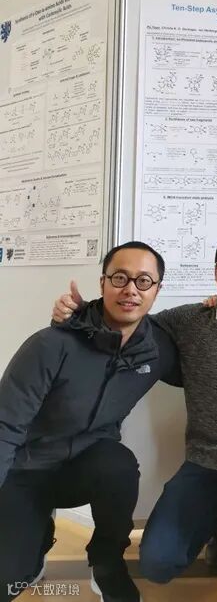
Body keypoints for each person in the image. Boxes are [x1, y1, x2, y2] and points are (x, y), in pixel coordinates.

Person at [53, 230, 217, 602]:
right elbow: (130, 315)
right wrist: (79, 313)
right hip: (207, 459)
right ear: (216, 270)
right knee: (158, 563)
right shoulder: (188, 320)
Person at [0, 241, 180, 602]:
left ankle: (106, 561)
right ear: (102, 283)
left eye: (144, 281)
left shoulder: (158, 348)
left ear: (157, 290)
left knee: (119, 465)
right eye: (120, 278)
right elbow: (5, 426)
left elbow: (203, 362)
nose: (131, 289)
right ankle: (35, 539)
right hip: (26, 471)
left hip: (86, 465)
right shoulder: (51, 344)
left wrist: (216, 306)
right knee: (7, 582)